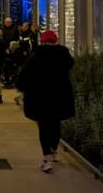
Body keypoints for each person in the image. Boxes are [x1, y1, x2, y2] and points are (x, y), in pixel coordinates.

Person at [17, 29, 75, 173]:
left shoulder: (36, 55)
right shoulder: (64, 55)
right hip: (59, 96)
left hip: (40, 96)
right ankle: (54, 150)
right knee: (56, 123)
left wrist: (22, 88)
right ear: (55, 40)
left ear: (43, 41)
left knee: (43, 126)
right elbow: (70, 66)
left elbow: (24, 74)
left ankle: (47, 158)